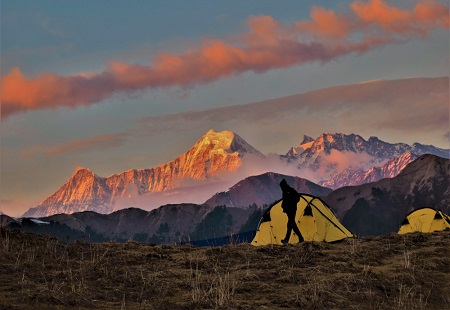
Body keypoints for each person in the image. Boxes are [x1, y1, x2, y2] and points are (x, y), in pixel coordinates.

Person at [279, 179, 304, 244]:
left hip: (292, 210)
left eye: (281, 186)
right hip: (289, 211)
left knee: (292, 224)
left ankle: (300, 238)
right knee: (290, 224)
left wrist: (291, 204)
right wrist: (284, 207)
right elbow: (285, 201)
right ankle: (287, 240)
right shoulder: (285, 191)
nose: (281, 188)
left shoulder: (290, 190)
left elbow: (297, 197)